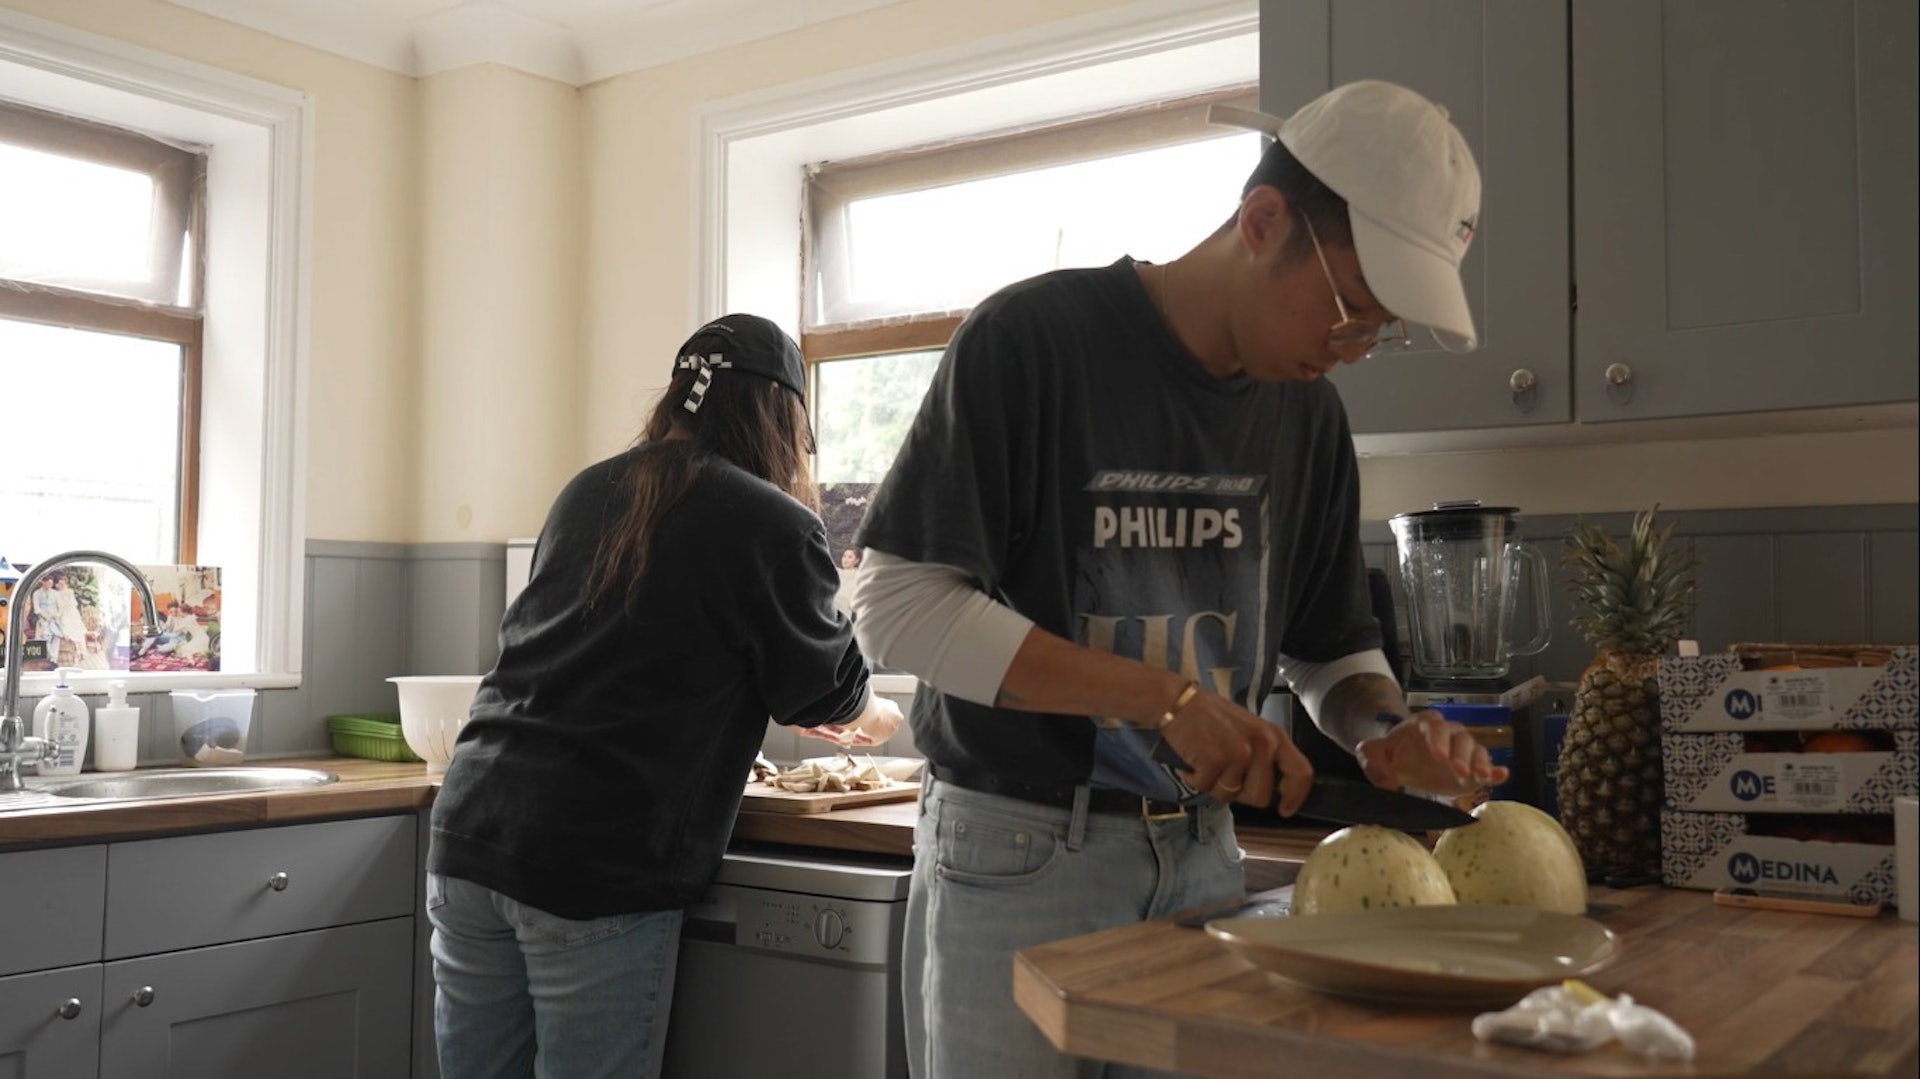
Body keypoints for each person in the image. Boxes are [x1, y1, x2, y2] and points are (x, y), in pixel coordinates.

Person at [849, 80, 1507, 1077]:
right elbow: (893, 609)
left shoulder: (1309, 418)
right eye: (1349, 311)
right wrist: (1167, 699)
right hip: (1022, 854)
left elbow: (1331, 653)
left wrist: (1385, 731)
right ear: (1262, 220)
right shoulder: (1033, 343)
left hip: (1206, 859)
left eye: (1382, 330)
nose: (1355, 349)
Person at [426, 313, 903, 1079]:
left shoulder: (588, 491)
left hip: (471, 829)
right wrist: (884, 718)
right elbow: (829, 693)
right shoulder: (771, 521)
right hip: (594, 855)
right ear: (781, 417)